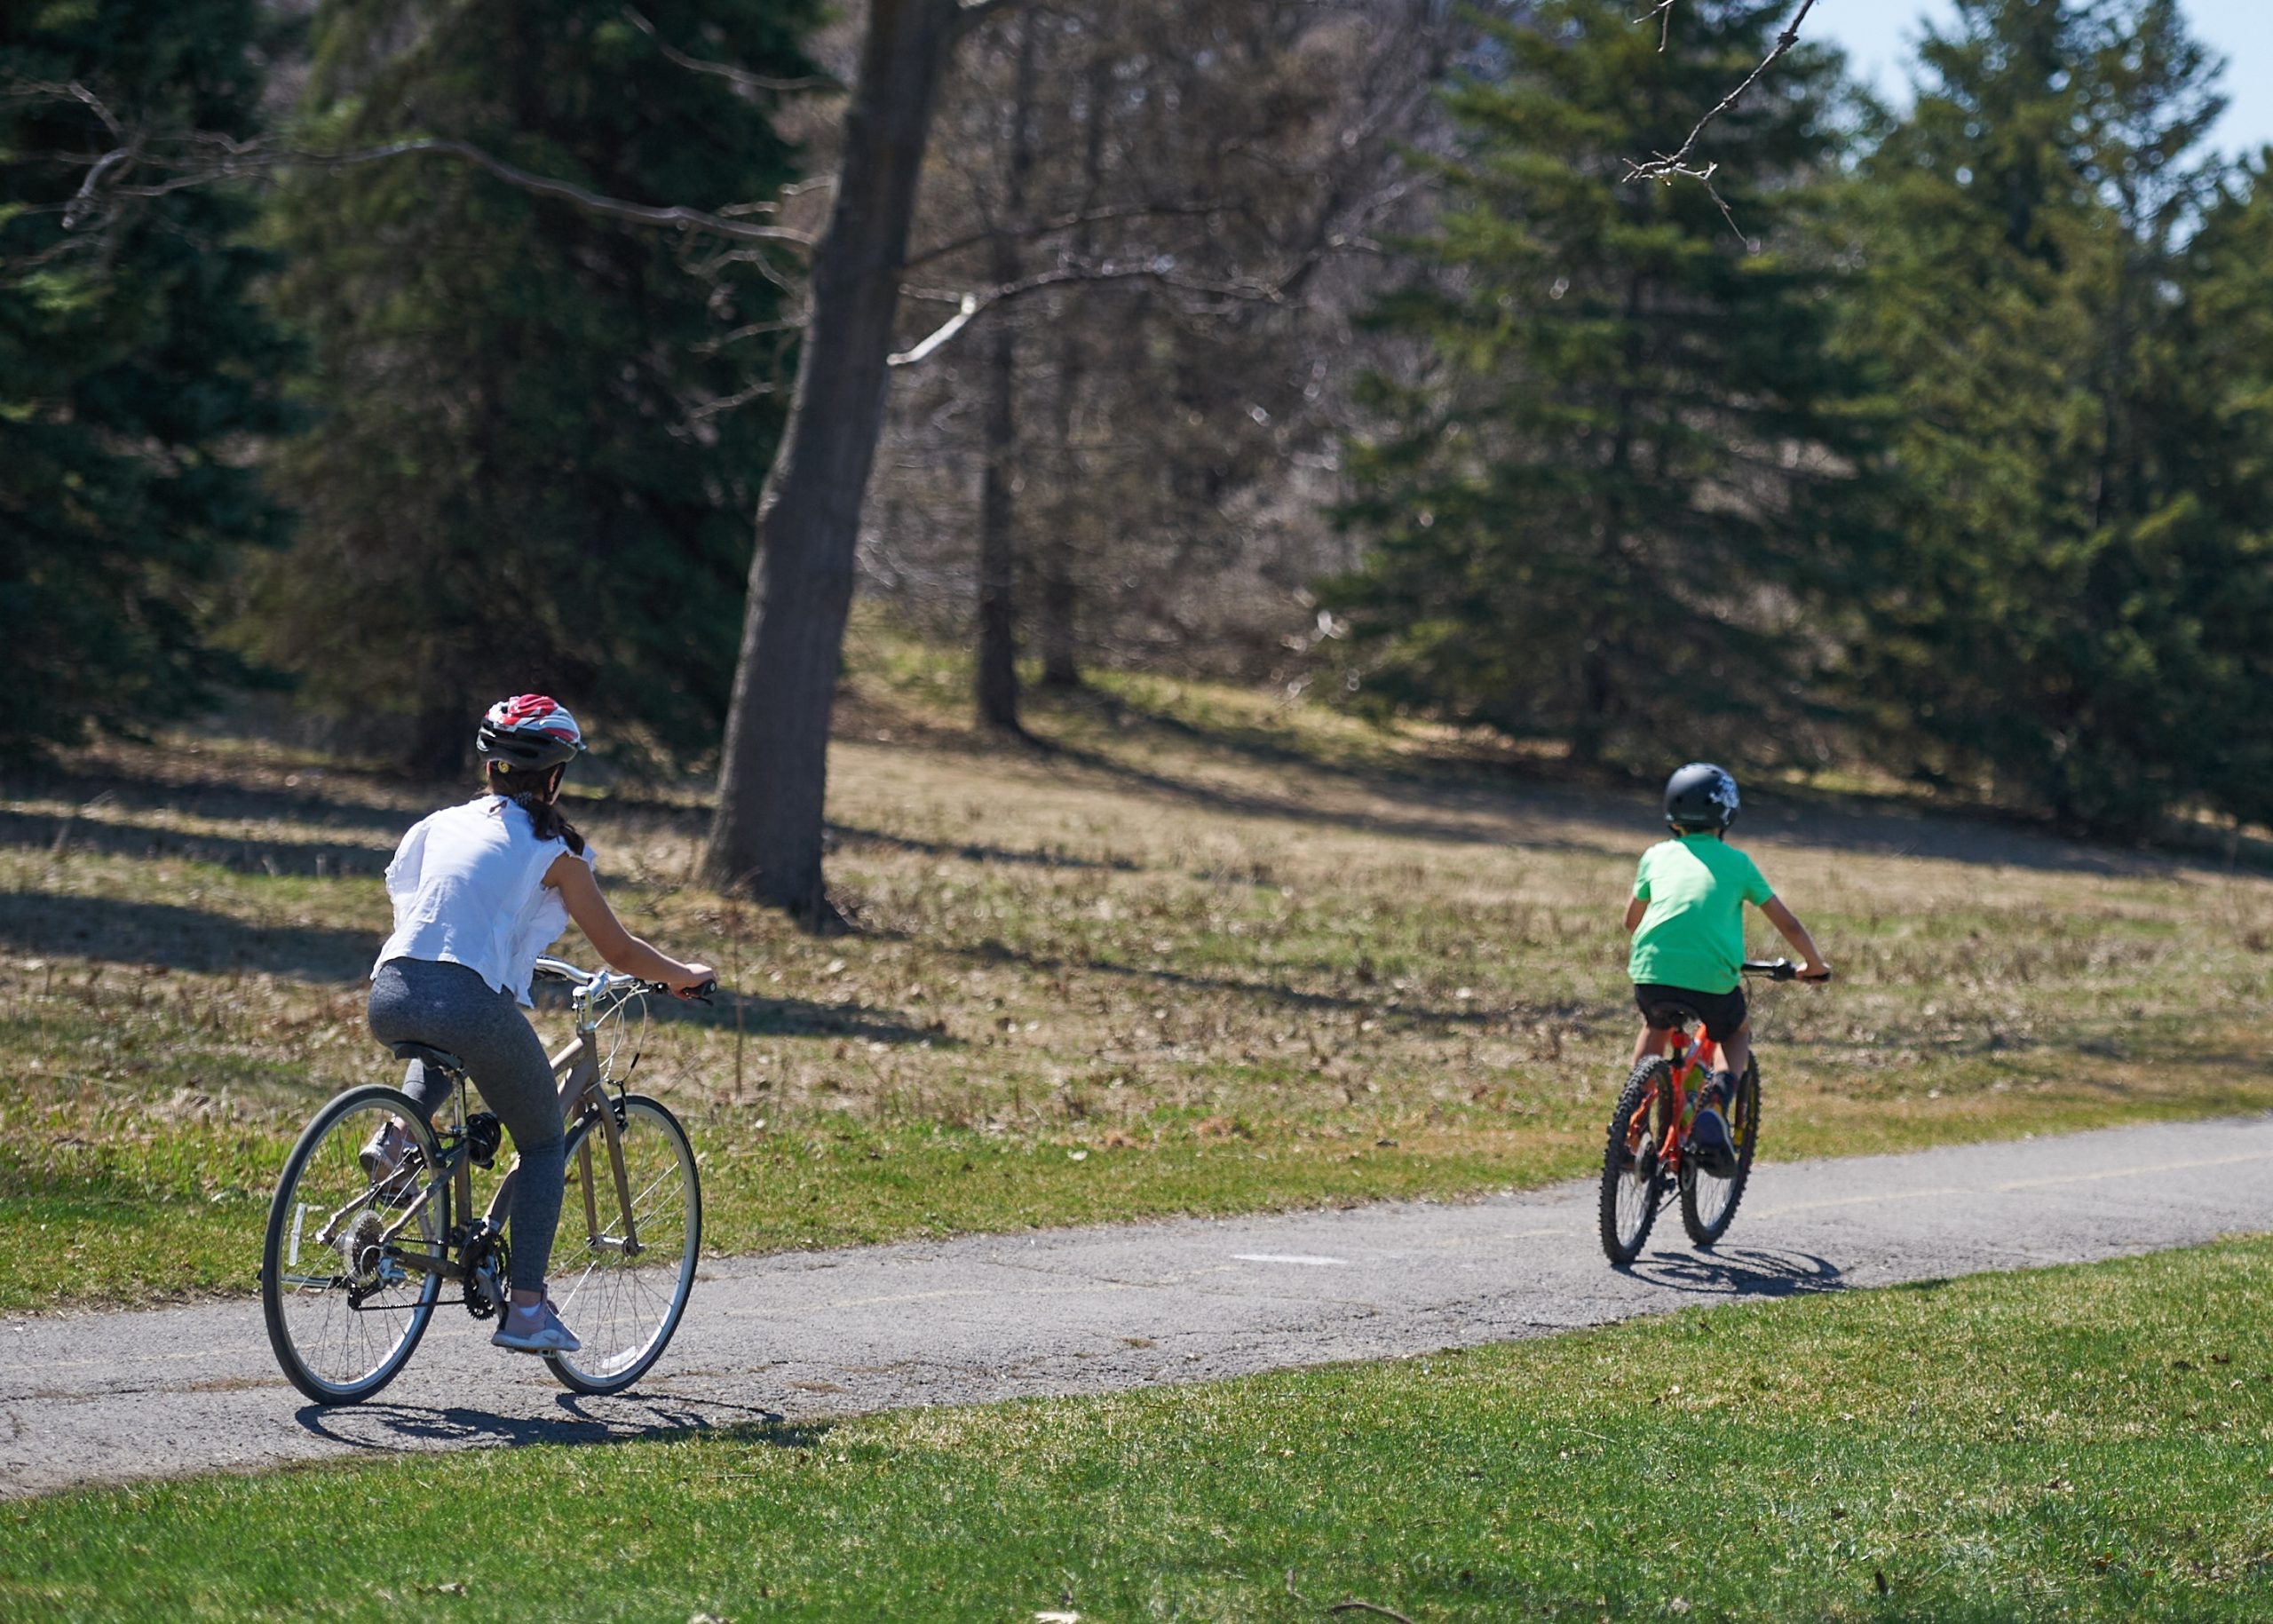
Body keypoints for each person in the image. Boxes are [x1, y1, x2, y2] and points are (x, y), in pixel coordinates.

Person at [363, 694, 715, 1354]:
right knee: (545, 1143)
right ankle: (527, 1308)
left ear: (491, 767)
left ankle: (393, 1140)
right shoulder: (553, 849)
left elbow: (419, 899)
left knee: (446, 1045)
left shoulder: (439, 823)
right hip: (464, 999)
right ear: (554, 775)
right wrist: (678, 973)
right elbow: (619, 950)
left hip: (390, 988)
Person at [1625, 762, 1828, 1176]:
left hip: (1650, 971)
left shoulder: (1654, 856)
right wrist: (1814, 964)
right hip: (1712, 979)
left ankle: (1631, 1126)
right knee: (1734, 1031)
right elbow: (1786, 921)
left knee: (1656, 1025)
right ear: (1727, 815)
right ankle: (1715, 1104)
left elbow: (1632, 921)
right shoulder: (1738, 864)